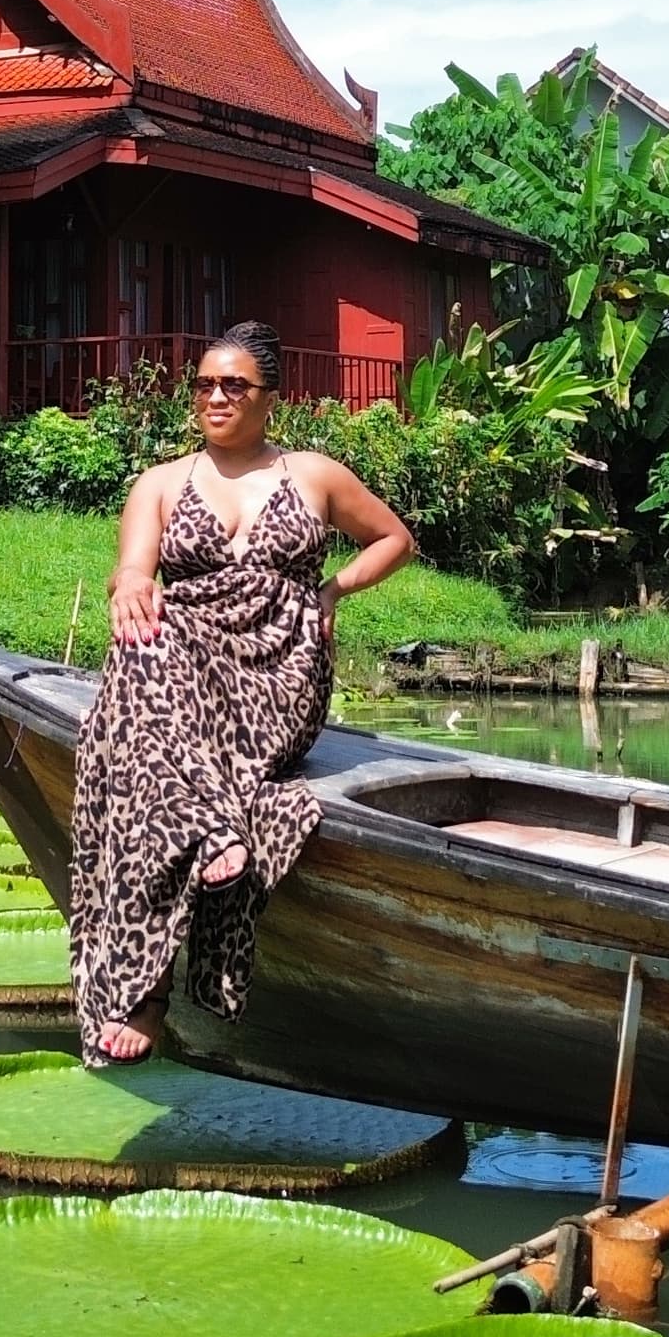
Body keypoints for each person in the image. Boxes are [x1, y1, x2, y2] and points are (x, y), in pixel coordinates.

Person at [69, 322, 416, 1065]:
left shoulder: (313, 473)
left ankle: (153, 976)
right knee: (138, 651)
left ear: (269, 397)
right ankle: (161, 955)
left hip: (280, 669)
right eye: (203, 385)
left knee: (135, 734)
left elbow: (394, 538)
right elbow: (131, 569)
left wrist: (333, 590)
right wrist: (132, 587)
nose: (216, 397)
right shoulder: (161, 482)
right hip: (189, 662)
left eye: (234, 386)